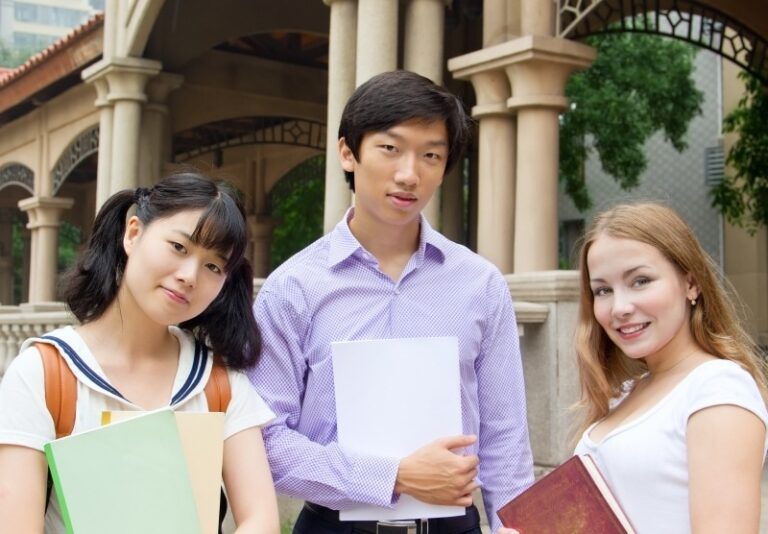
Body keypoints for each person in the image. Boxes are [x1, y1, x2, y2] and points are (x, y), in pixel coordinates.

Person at [248, 70, 534, 534]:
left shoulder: (479, 284)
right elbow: (266, 442)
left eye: (431, 156)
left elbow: (505, 442)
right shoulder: (293, 288)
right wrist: (394, 476)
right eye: (390, 148)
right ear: (348, 152)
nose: (409, 173)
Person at [0, 172, 280, 533]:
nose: (190, 275)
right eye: (179, 247)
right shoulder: (45, 373)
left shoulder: (218, 383)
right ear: (133, 233)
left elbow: (260, 519)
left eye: (213, 266)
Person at [565, 202, 767, 533]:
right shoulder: (626, 393)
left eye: (640, 281)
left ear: (691, 283)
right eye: (603, 290)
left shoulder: (718, 389)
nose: (620, 307)